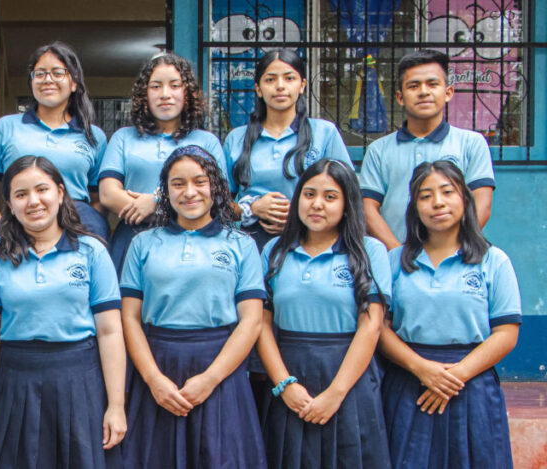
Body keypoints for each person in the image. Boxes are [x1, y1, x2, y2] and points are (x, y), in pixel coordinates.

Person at [0, 156, 126, 468]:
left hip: (78, 377)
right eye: (20, 194)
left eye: (42, 189)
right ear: (9, 204)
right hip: (14, 379)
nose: (33, 201)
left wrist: (116, 404)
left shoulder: (91, 251)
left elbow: (110, 332)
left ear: (60, 192)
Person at [120, 145, 266, 468]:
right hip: (157, 366)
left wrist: (210, 379)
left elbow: (252, 321)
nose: (189, 192)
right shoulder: (143, 243)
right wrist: (153, 379)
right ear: (165, 191)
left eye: (200, 182)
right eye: (178, 184)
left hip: (220, 367)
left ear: (216, 186)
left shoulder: (240, 244)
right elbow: (129, 318)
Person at [379, 160, 520, 468]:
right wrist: (422, 370)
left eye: (447, 192)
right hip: (409, 383)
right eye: (425, 195)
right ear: (414, 206)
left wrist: (454, 376)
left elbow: (507, 333)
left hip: (472, 386)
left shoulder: (492, 260)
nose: (437, 203)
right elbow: (379, 329)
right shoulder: (393, 261)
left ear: (464, 200)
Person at [256, 158, 392, 468]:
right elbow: (261, 324)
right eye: (309, 194)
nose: (317, 204)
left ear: (347, 204)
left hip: (349, 376)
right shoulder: (274, 251)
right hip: (289, 373)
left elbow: (370, 328)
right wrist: (284, 385)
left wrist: (335, 393)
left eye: (330, 197)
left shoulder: (370, 251)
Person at [99, 52, 227, 272]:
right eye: (156, 86)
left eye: (175, 85)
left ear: (187, 93)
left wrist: (157, 203)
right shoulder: (123, 137)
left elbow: (218, 197)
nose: (165, 94)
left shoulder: (207, 141)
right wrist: (152, 209)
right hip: (132, 239)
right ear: (144, 94)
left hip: (192, 243)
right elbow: (108, 194)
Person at [360, 49, 495, 250]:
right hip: (395, 264)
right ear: (400, 97)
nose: (424, 92)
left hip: (455, 261)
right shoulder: (378, 150)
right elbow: (368, 209)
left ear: (448, 92)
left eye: (432, 84)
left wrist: (446, 252)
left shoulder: (471, 143)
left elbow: (481, 206)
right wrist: (399, 255)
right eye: (413, 86)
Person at [222, 49, 352, 251]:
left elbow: (348, 195)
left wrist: (299, 215)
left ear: (302, 85)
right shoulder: (236, 138)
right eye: (270, 80)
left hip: (311, 241)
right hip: (249, 244)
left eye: (289, 78)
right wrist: (253, 209)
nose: (280, 86)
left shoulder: (324, 133)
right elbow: (219, 205)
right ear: (258, 88)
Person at [0, 42, 109, 239]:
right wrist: (4, 234)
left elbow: (100, 199)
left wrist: (87, 229)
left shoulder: (93, 135)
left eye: (58, 73)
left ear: (74, 83)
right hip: (20, 228)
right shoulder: (5, 128)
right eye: (40, 73)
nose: (48, 80)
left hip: (78, 233)